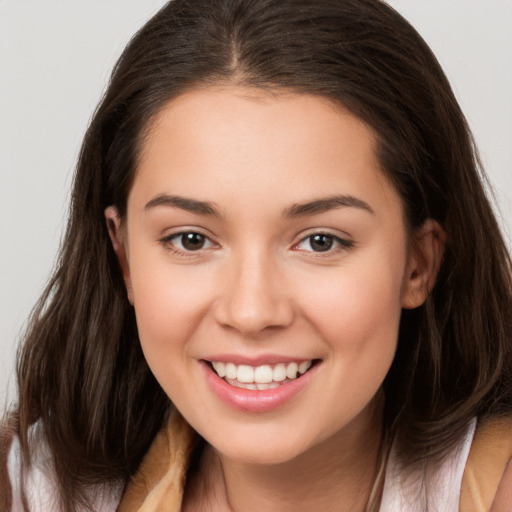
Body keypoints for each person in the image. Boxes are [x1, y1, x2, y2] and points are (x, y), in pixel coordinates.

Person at [1, 0, 511, 510]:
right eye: (191, 239)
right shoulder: (31, 490)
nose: (251, 312)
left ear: (418, 264)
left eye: (320, 241)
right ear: (124, 257)